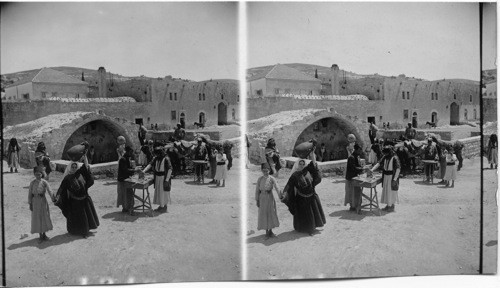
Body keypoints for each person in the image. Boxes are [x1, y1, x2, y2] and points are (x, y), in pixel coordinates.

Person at [54, 155, 99, 238]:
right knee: (78, 217)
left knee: (85, 216)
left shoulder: (80, 174)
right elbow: (61, 188)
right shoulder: (67, 178)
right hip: (74, 202)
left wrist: (85, 156)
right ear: (70, 168)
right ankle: (76, 231)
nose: (74, 168)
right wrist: (57, 197)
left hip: (84, 200)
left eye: (75, 167)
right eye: (73, 167)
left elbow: (86, 167)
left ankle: (85, 232)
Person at [282, 150, 326, 235]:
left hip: (311, 196)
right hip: (301, 199)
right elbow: (289, 186)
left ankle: (312, 228)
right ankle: (305, 228)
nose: (301, 166)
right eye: (300, 164)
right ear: (297, 165)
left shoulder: (308, 171)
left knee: (312, 213)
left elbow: (314, 167)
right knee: (306, 214)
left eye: (303, 164)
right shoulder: (294, 175)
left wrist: (313, 153)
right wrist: (284, 194)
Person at [370, 146, 401, 212]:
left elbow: (398, 169)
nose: (385, 155)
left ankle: (391, 206)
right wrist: (372, 170)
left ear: (389, 152)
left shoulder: (395, 158)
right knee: (387, 191)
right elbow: (379, 163)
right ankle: (388, 205)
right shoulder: (385, 157)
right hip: (386, 176)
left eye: (386, 153)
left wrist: (395, 179)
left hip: (391, 177)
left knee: (391, 191)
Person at [255, 162, 282, 239]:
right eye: (264, 171)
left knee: (271, 213)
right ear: (261, 171)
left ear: (269, 170)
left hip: (270, 197)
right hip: (262, 198)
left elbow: (277, 187)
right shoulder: (260, 179)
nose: (265, 172)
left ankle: (271, 231)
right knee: (264, 214)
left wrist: (281, 195)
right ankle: (266, 232)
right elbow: (257, 190)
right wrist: (257, 200)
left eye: (267, 171)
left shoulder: (272, 178)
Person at [29, 167, 55, 243]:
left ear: (42, 174)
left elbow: (50, 190)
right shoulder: (32, 183)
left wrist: (53, 198)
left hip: (43, 201)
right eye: (36, 174)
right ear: (34, 174)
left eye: (39, 174)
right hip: (35, 202)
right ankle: (40, 235)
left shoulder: (44, 182)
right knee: (37, 217)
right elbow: (30, 193)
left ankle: (44, 234)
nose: (38, 176)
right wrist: (30, 203)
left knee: (44, 216)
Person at [142, 147, 172, 213]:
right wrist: (143, 171)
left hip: (163, 177)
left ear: (160, 153)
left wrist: (167, 180)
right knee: (159, 192)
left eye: (157, 154)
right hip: (157, 177)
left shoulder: (166, 159)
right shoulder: (156, 158)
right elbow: (150, 164)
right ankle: (161, 206)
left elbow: (170, 169)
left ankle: (164, 206)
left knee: (163, 192)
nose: (156, 156)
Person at [117, 146, 139, 215]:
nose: (132, 153)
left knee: (126, 194)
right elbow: (125, 170)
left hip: (126, 179)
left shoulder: (127, 159)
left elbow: (128, 168)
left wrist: (133, 169)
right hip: (123, 179)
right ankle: (129, 209)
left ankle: (126, 208)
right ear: (128, 152)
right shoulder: (123, 159)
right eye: (131, 152)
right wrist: (134, 170)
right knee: (128, 194)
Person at [345, 144, 364, 213]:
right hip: (351, 178)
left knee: (356, 192)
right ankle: (352, 206)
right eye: (359, 150)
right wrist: (362, 169)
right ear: (356, 150)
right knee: (351, 193)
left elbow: (358, 166)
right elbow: (353, 168)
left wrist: (362, 168)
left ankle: (356, 205)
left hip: (356, 177)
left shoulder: (357, 157)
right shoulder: (351, 158)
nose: (360, 151)